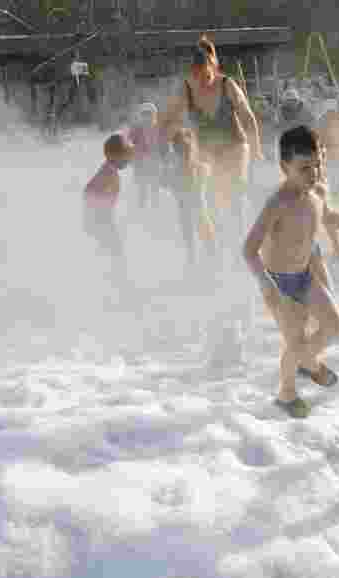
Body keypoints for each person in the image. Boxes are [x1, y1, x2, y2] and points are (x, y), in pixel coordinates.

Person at [242, 125, 339, 418]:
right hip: (279, 284)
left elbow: (327, 216)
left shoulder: (317, 190)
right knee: (294, 342)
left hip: (304, 276)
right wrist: (265, 284)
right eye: (304, 168)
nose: (313, 173)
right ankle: (286, 393)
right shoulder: (277, 203)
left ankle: (308, 361)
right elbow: (248, 249)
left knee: (335, 325)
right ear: (284, 166)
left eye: (318, 164)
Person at [158, 35, 265, 366]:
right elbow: (164, 120)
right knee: (206, 202)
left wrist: (258, 146)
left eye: (205, 73)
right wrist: (168, 142)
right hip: (207, 152)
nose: (201, 80)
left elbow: (246, 116)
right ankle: (214, 251)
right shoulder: (185, 88)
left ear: (213, 66)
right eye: (195, 75)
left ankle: (241, 243)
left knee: (232, 197)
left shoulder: (227, 84)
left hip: (235, 147)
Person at [83, 132, 135, 278]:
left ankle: (115, 281)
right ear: (115, 156)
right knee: (115, 253)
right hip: (101, 221)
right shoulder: (108, 173)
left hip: (103, 220)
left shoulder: (109, 170)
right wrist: (95, 216)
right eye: (126, 155)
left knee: (112, 252)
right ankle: (118, 283)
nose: (129, 160)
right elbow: (88, 191)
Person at [169, 127, 216, 274]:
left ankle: (200, 259)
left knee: (195, 234)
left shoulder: (181, 169)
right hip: (193, 207)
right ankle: (201, 259)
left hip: (191, 207)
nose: (182, 153)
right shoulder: (197, 167)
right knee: (197, 233)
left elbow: (173, 186)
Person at [128, 102, 163, 210]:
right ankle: (141, 207)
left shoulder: (158, 129)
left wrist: (165, 157)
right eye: (144, 114)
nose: (147, 117)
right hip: (140, 163)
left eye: (149, 114)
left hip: (154, 162)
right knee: (142, 188)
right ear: (141, 116)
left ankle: (155, 207)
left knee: (154, 187)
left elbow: (163, 145)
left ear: (154, 115)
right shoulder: (136, 129)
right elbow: (129, 144)